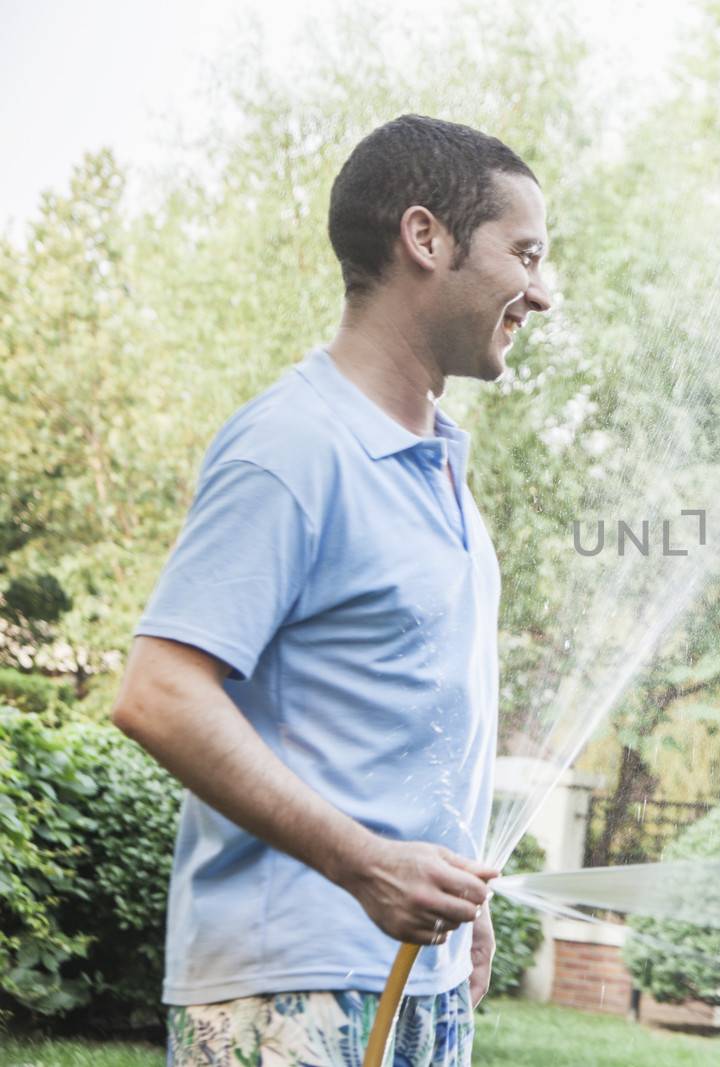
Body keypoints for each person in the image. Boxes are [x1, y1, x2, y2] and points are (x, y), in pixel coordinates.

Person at [112, 114, 552, 1067]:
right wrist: (368, 865)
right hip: (292, 984)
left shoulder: (436, 469)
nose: (541, 293)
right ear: (426, 237)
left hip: (414, 974)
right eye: (525, 253)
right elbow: (159, 691)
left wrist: (454, 896)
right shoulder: (293, 446)